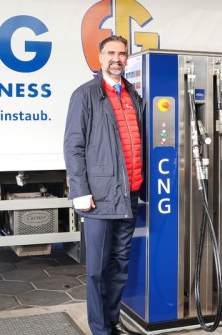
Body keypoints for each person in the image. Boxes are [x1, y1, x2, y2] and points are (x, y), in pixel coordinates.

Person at [63, 35, 144, 335]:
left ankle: (112, 323)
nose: (117, 59)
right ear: (100, 57)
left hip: (128, 195)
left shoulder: (132, 94)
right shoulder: (85, 95)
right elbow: (73, 146)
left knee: (120, 266)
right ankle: (100, 330)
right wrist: (80, 191)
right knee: (97, 270)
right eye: (111, 53)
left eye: (122, 54)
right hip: (98, 197)